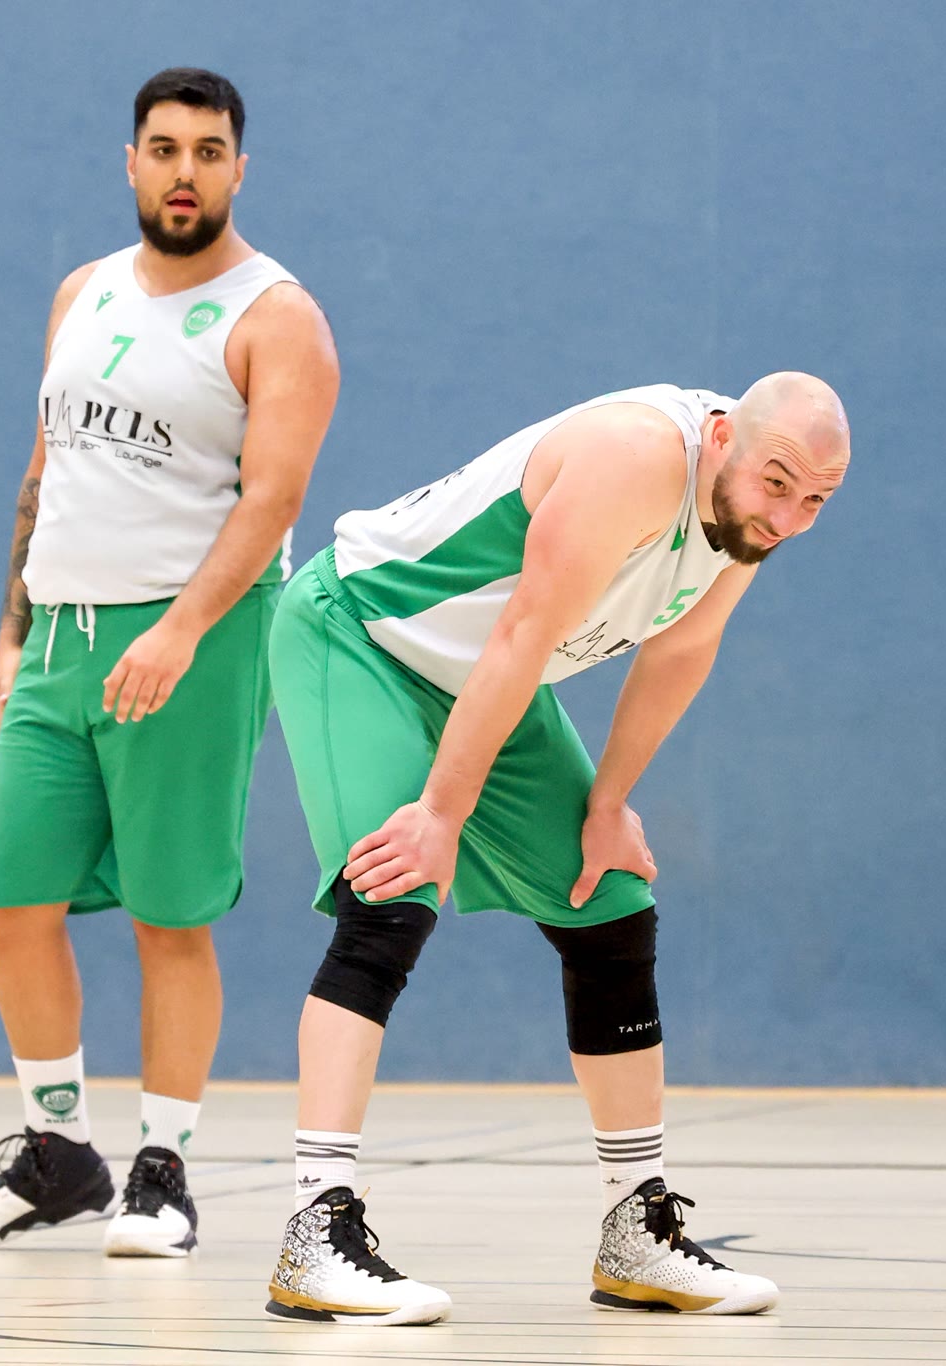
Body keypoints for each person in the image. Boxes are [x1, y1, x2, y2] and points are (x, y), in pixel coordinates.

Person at [259, 374, 849, 1323]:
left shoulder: (749, 515)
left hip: (489, 677)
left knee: (610, 903)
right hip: (361, 635)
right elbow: (524, 631)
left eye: (816, 500)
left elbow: (681, 649)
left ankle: (635, 1232)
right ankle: (313, 1231)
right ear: (723, 437)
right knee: (392, 896)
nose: (789, 516)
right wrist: (440, 813)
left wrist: (609, 802)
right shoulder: (634, 458)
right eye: (778, 484)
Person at [0, 67, 339, 1258]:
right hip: (60, 638)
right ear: (131, 162)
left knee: (170, 913)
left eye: (207, 152)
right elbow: (44, 469)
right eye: (164, 149)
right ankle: (59, 1154)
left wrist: (179, 629)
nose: (183, 173)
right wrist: (12, 630)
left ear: (238, 169)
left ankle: (164, 1172)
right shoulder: (84, 291)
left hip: (191, 640)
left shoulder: (277, 317)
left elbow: (272, 502)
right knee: (11, 901)